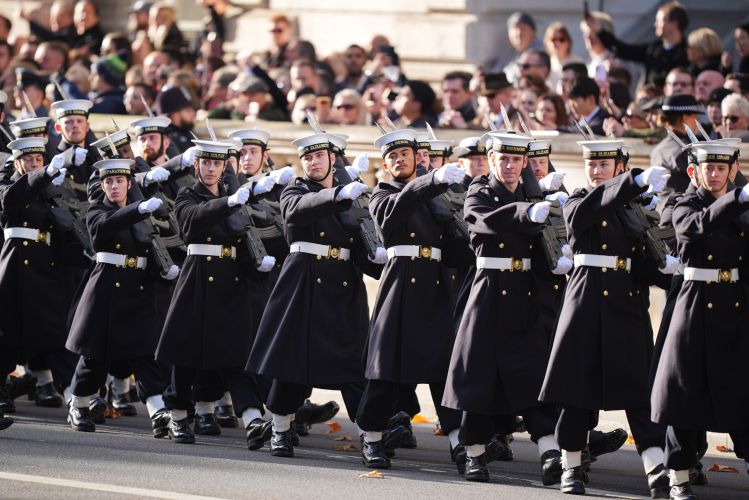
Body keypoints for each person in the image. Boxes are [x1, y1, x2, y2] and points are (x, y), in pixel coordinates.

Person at [539, 140, 676, 497]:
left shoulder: (634, 210)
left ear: (617, 165)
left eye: (605, 164)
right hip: (583, 307)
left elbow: (644, 263)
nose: (596, 170)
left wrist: (669, 269)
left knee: (638, 392)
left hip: (625, 307)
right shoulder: (577, 200)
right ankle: (571, 467)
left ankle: (655, 466)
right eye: (592, 164)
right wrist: (633, 181)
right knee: (575, 392)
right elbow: (586, 213)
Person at [247, 131, 386, 457]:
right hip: (303, 287)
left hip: (342, 290)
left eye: (318, 157)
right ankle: (280, 430)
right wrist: (338, 194)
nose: (312, 162)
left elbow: (360, 245)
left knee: (353, 369)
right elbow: (297, 211)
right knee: (291, 365)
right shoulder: (295, 189)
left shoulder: (352, 197)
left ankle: (371, 438)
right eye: (307, 158)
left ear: (331, 160)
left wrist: (377, 258)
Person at [443, 131, 570, 483]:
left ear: (524, 162)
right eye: (503, 159)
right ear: (492, 160)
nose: (510, 165)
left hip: (525, 296)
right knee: (478, 377)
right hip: (488, 296)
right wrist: (526, 212)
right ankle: (474, 454)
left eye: (516, 160)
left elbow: (545, 245)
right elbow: (482, 221)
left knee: (532, 373)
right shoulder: (479, 192)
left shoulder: (535, 195)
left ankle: (549, 451)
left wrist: (559, 259)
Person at [355, 129, 467, 469]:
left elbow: (453, 247)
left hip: (435, 287)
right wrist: (431, 181)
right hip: (400, 285)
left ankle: (461, 443)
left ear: (418, 156)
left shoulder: (439, 195)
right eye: (392, 156)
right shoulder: (382, 194)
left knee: (443, 370)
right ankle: (372, 437)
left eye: (404, 153)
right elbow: (391, 218)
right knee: (384, 369)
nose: (398, 160)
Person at [155, 139, 275, 445]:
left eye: (216, 164)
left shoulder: (233, 197)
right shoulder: (187, 195)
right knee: (186, 354)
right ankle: (179, 417)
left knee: (236, 356)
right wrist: (230, 202)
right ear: (196, 166)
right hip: (197, 280)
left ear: (224, 168)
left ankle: (252, 419)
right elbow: (190, 220)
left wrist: (257, 266)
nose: (210, 169)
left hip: (230, 283)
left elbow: (243, 238)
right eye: (205, 163)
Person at [650, 140, 749, 499]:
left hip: (734, 307)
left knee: (741, 389)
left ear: (731, 171)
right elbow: (694, 228)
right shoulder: (685, 203)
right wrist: (735, 200)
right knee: (684, 392)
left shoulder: (742, 208)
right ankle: (678, 475)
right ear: (695, 171)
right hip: (694, 307)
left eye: (722, 168)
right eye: (709, 168)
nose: (715, 174)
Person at [65, 158, 175, 435]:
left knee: (146, 353)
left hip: (137, 287)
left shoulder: (142, 214)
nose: (114, 186)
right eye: (109, 182)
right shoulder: (97, 210)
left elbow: (154, 243)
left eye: (120, 181)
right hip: (106, 289)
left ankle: (157, 409)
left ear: (129, 183)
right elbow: (107, 225)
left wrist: (166, 267)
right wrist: (138, 208)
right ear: (102, 185)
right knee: (94, 356)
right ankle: (78, 404)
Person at [0, 137, 76, 411]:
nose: (34, 164)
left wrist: (87, 254)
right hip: (15, 269)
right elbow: (10, 199)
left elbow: (61, 232)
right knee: (6, 335)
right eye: (29, 160)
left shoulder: (50, 190)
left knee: (55, 335)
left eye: (39, 160)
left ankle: (74, 398)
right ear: (17, 162)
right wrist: (44, 173)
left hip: (45, 268)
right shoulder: (9, 185)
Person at [586, 1, 690, 88]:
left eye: (660, 20)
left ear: (674, 23)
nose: (655, 24)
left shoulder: (687, 53)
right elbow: (624, 50)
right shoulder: (653, 49)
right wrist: (599, 31)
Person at [544, 22, 584, 93]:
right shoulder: (545, 63)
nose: (557, 43)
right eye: (553, 39)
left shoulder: (578, 63)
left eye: (561, 39)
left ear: (568, 42)